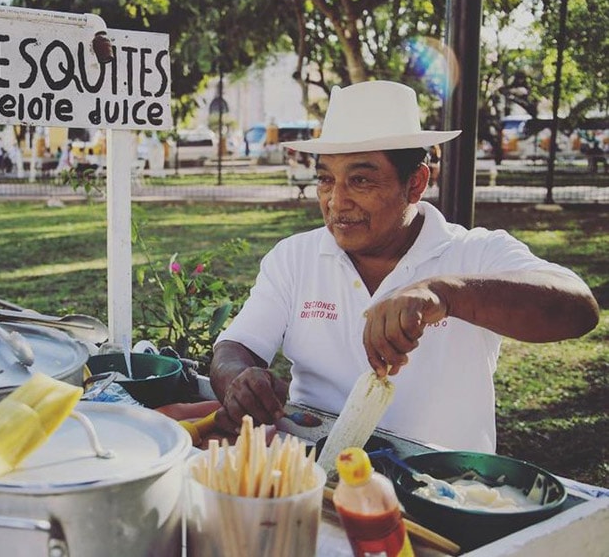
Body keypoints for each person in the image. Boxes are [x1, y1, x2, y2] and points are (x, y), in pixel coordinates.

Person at [210, 80, 599, 453]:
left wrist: (446, 294)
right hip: (313, 477)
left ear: (415, 184)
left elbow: (579, 309)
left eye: (360, 180)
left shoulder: (473, 254)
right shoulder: (294, 258)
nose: (336, 200)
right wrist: (239, 380)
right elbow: (235, 347)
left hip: (443, 493)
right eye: (326, 180)